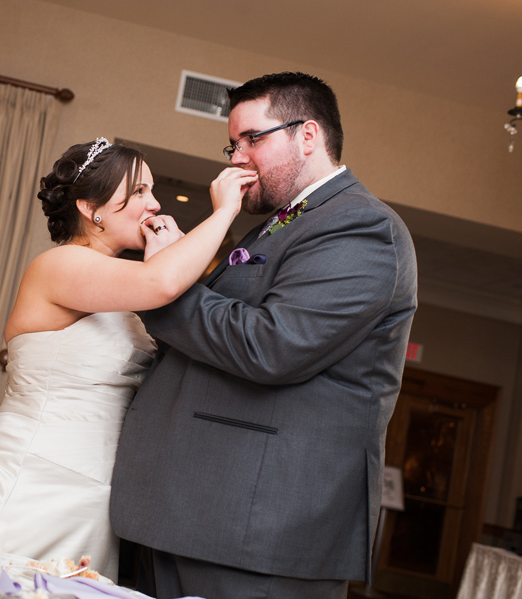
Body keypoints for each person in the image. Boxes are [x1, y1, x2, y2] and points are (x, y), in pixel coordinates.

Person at [109, 72, 418, 599]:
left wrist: (162, 288)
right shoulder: (282, 225)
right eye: (234, 144)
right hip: (197, 515)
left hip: (258, 531)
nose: (237, 157)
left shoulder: (362, 227)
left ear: (308, 136)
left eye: (254, 138)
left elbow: (271, 347)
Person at [0, 138, 253, 580]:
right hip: (38, 474)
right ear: (91, 207)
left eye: (151, 190)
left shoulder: (124, 289)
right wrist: (224, 213)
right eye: (139, 191)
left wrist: (168, 255)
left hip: (97, 490)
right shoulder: (59, 265)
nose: (155, 203)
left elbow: (171, 299)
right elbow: (161, 283)